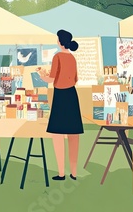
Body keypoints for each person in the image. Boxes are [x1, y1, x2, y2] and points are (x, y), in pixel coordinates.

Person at [38, 30, 84, 181]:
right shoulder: (72, 58)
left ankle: (61, 173)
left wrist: (41, 75)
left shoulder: (57, 56)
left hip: (60, 96)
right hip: (72, 95)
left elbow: (51, 79)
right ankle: (74, 172)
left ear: (59, 41)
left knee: (57, 134)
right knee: (73, 134)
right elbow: (75, 79)